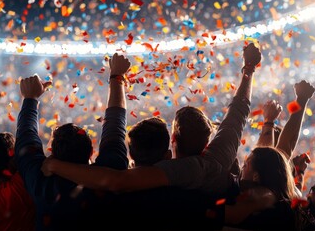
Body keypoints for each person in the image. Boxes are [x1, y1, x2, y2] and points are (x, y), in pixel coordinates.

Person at [41, 42, 261, 197]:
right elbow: (239, 111)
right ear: (207, 143)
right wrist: (249, 68)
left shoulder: (180, 172)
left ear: (173, 140)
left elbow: (115, 181)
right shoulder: (217, 160)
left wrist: (53, 164)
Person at [14, 53, 131, 231]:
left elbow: (26, 137)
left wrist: (30, 98)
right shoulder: (111, 173)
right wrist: (116, 76)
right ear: (91, 151)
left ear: (52, 151)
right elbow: (115, 126)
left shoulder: (40, 183)